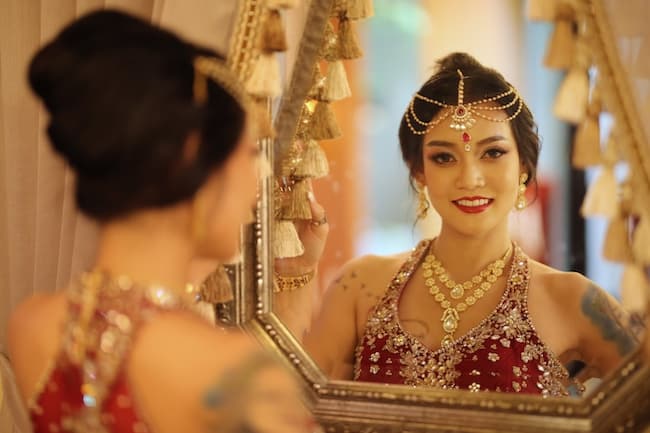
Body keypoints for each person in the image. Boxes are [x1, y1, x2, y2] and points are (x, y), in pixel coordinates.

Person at [8, 10, 313, 433]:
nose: (257, 184)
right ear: (194, 159)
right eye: (249, 154)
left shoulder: (33, 327)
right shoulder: (236, 374)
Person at [275, 52, 641, 396]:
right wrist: (296, 270)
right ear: (420, 171)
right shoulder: (359, 287)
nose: (470, 178)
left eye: (493, 153)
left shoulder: (570, 300)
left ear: (525, 168)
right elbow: (293, 409)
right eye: (444, 157)